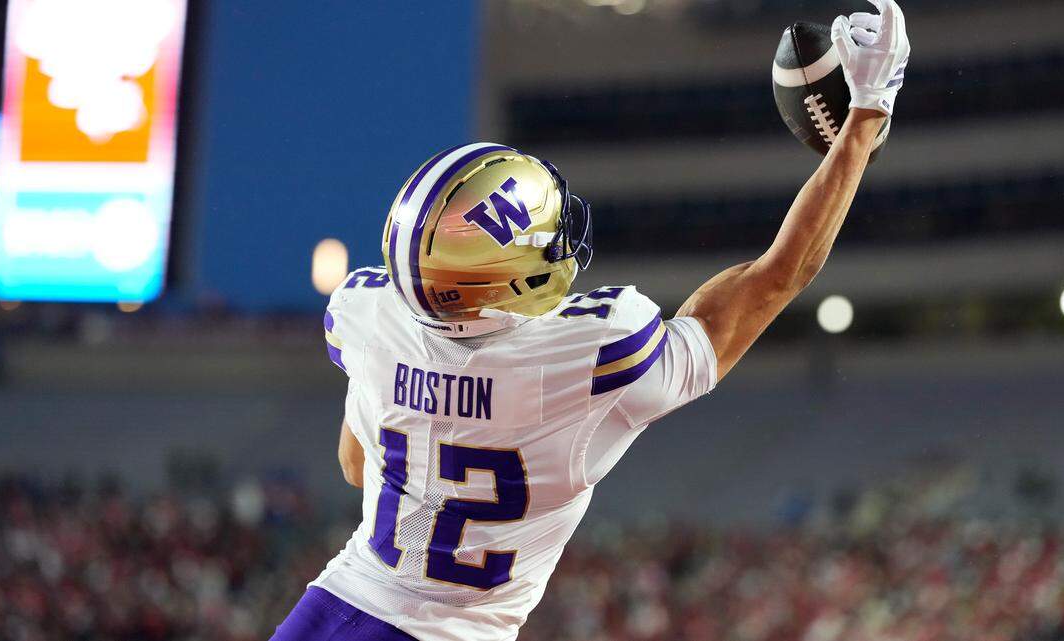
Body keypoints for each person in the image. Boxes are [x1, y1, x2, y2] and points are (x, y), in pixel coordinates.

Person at [272, 2, 909, 639]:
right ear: (509, 275)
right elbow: (774, 277)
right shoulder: (591, 349)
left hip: (329, 609)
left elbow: (357, 466)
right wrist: (865, 115)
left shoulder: (368, 312)